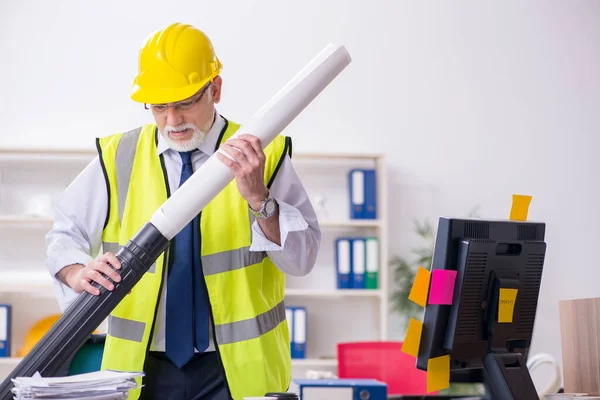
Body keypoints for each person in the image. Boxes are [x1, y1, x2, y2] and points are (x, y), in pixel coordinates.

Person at [45, 22, 321, 400]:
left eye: (185, 103)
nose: (172, 121)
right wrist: (77, 272)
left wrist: (261, 200)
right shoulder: (117, 157)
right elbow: (63, 237)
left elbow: (302, 259)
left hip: (237, 375)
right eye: (160, 107)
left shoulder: (264, 155)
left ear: (216, 89)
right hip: (139, 373)